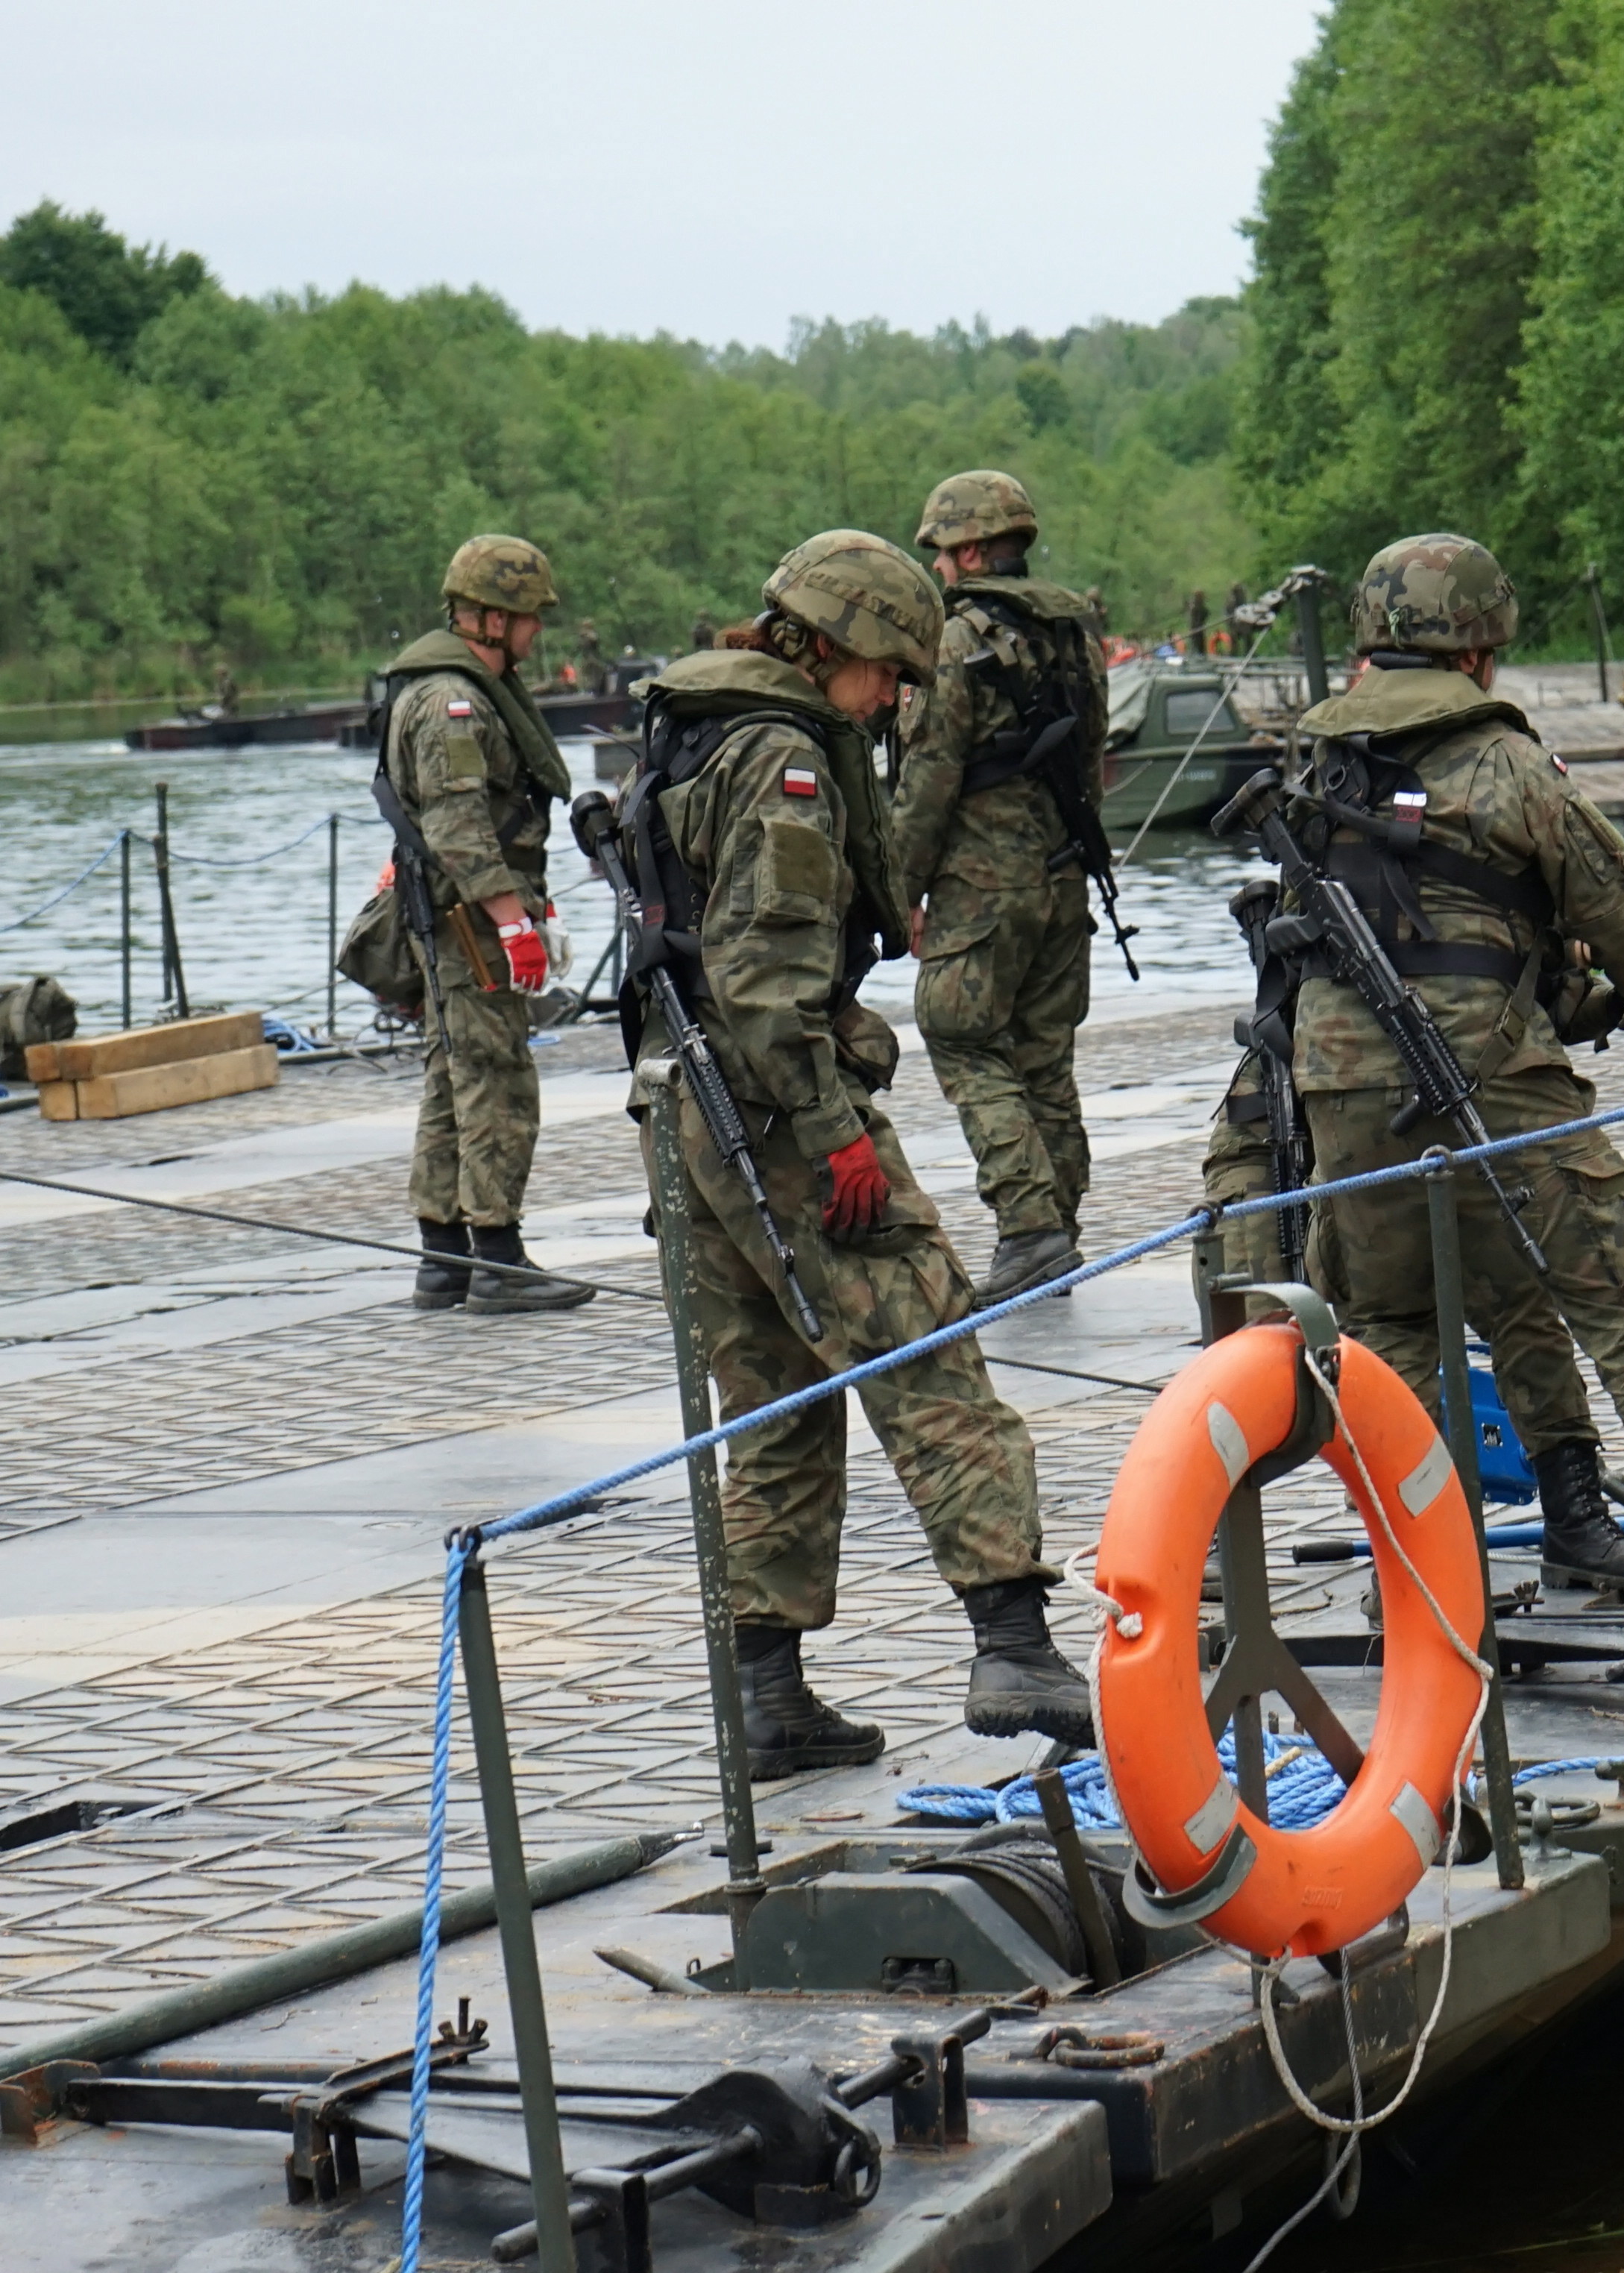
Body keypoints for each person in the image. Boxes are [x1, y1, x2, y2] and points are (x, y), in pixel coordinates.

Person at [1259, 532, 1624, 1594]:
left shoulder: (1312, 762)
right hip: (1489, 1071)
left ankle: (1435, 1576)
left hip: (1339, 1078)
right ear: (1482, 643)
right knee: (1621, 1294)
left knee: (1395, 1326)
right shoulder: (1509, 761)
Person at [621, 529, 1084, 1775]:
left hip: (683, 1112)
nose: (891, 699)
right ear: (829, 642)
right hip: (775, 1108)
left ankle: (768, 1694)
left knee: (772, 1399)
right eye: (885, 671)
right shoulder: (783, 760)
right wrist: (836, 1139)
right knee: (931, 1350)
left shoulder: (686, 728)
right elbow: (769, 987)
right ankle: (1014, 1644)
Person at [1200, 878, 1624, 1588]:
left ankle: (1571, 1517)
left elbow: (1549, 1003)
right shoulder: (1351, 873)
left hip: (1434, 1111)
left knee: (1518, 1306)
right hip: (1282, 1126)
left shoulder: (1482, 889)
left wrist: (1614, 991)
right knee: (1271, 1344)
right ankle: (1247, 1532)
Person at [893, 468, 1114, 1304]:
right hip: (1063, 876)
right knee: (1045, 1059)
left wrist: (898, 892)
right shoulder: (1074, 634)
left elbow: (926, 780)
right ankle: (1057, 1226)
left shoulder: (953, 642)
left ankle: (1030, 1229)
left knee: (959, 1033)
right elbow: (1091, 758)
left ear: (976, 548)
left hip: (980, 886)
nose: (939, 571)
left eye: (945, 555)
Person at [388, 535, 591, 1317]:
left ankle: (445, 1261)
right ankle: (499, 1259)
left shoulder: (445, 686)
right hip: (466, 921)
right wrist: (514, 923)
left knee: (452, 1078)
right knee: (496, 1079)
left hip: (457, 912)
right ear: (487, 618)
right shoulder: (452, 701)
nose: (538, 633)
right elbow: (460, 824)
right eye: (527, 618)